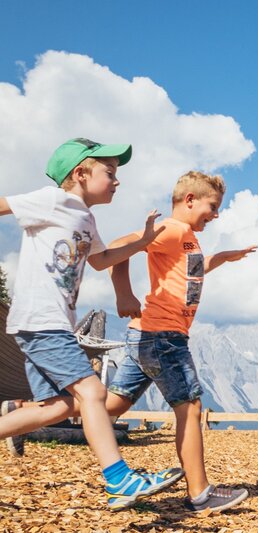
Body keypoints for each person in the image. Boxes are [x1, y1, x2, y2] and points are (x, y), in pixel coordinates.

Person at [0, 138, 184, 511]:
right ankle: (119, 479)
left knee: (60, 407)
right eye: (110, 173)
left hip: (53, 323)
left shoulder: (85, 217)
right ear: (80, 173)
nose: (117, 181)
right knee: (93, 393)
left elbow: (101, 260)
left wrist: (144, 241)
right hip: (40, 319)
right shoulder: (51, 200)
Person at [105, 170, 256, 513]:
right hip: (164, 336)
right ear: (190, 200)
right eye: (212, 206)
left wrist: (224, 257)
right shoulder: (173, 230)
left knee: (108, 408)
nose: (216, 214)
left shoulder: (187, 237)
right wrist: (124, 294)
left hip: (146, 335)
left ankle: (26, 414)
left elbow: (191, 272)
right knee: (190, 409)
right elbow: (118, 247)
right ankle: (200, 494)